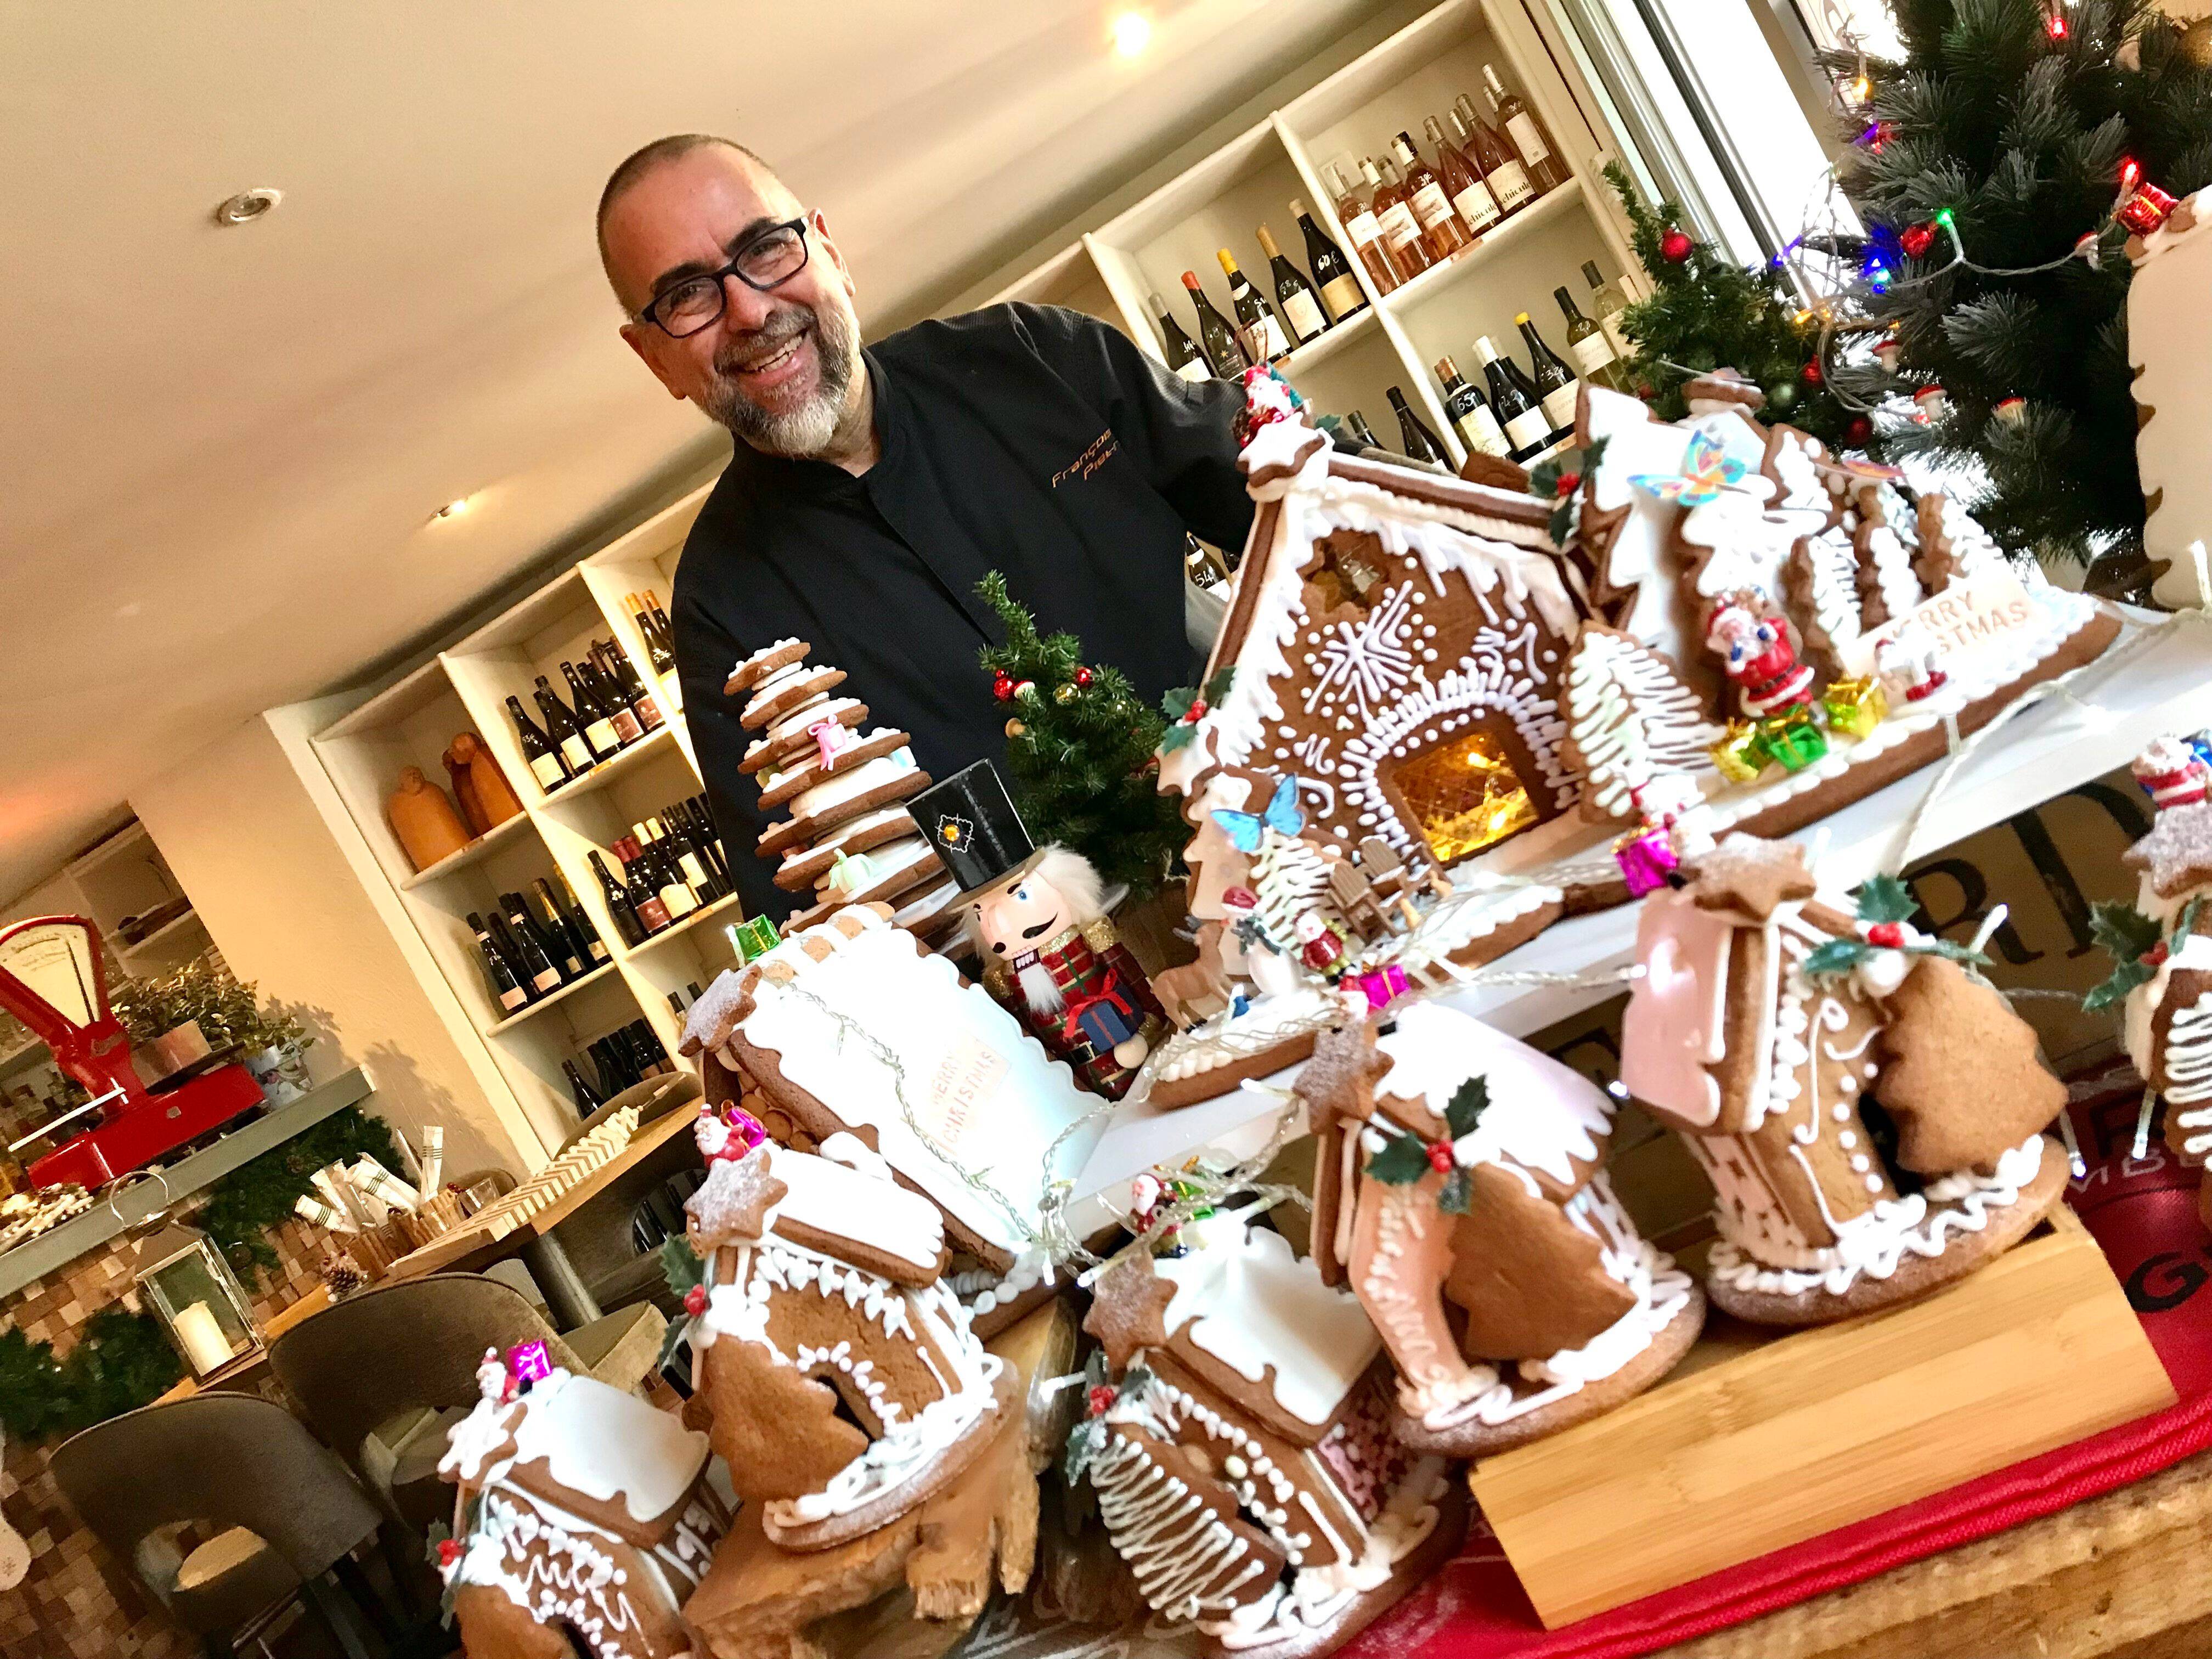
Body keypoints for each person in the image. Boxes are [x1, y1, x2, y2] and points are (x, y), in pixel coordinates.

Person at [596, 135, 1254, 920]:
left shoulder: (1029, 357)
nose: (749, 309)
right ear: (653, 360)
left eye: (767, 249)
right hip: (1085, 985)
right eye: (687, 298)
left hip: (1285, 829)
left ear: (828, 251)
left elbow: (1293, 486)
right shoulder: (723, 605)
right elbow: (803, 900)